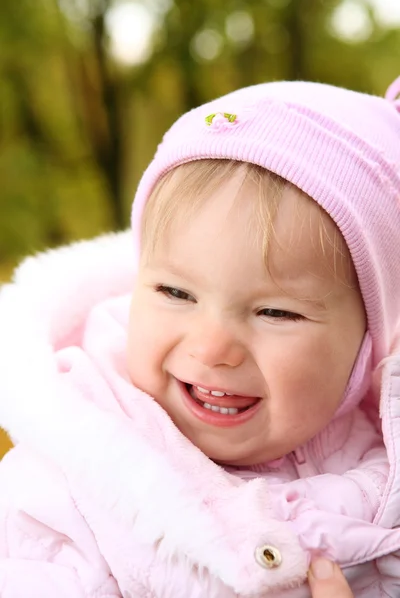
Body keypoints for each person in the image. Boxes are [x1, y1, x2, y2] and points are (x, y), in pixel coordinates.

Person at [0, 76, 399, 598]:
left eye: (275, 311)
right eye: (176, 292)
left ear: (372, 340)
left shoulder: (383, 463)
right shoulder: (71, 483)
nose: (210, 348)